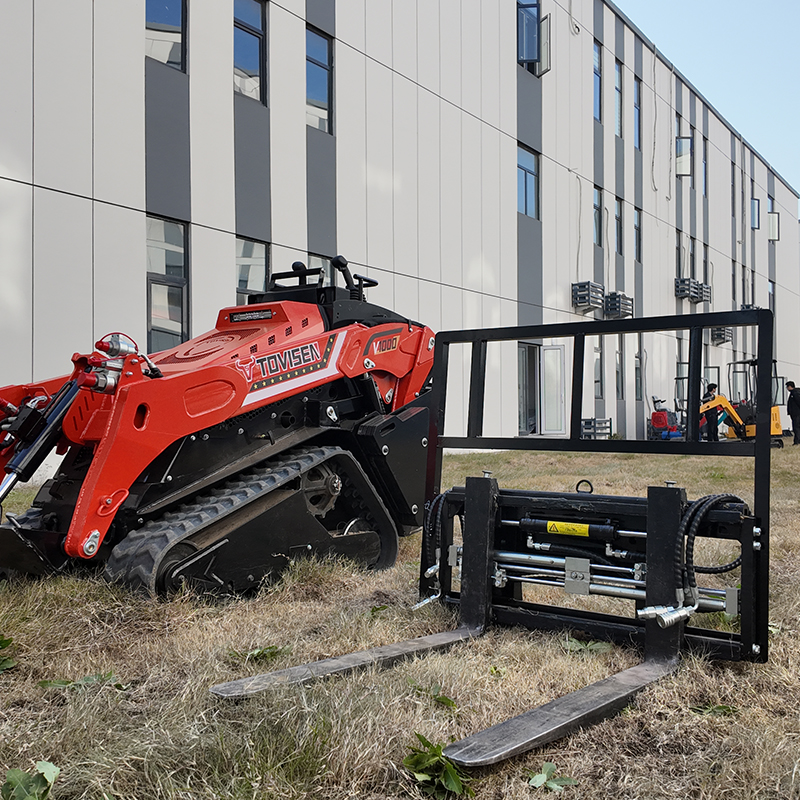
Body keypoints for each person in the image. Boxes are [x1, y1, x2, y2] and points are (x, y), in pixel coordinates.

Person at [786, 381, 800, 445]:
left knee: (796, 427)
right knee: (796, 427)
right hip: (795, 414)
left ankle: (797, 441)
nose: (787, 388)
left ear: (790, 386)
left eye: (787, 387)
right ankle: (797, 440)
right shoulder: (794, 393)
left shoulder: (795, 393)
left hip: (796, 414)